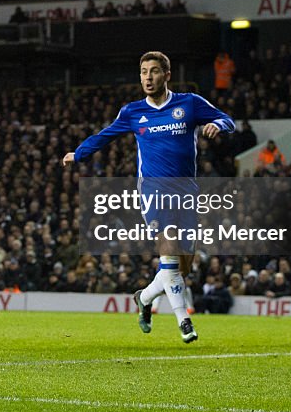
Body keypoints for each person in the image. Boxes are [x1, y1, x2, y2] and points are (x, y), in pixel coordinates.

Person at [62, 51, 234, 343]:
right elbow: (105, 135)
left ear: (167, 75)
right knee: (167, 249)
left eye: (154, 71)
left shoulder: (189, 103)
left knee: (182, 266)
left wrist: (218, 125)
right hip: (153, 190)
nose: (148, 77)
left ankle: (144, 297)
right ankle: (184, 321)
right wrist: (78, 154)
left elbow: (227, 119)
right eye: (143, 72)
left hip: (187, 191)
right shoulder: (132, 111)